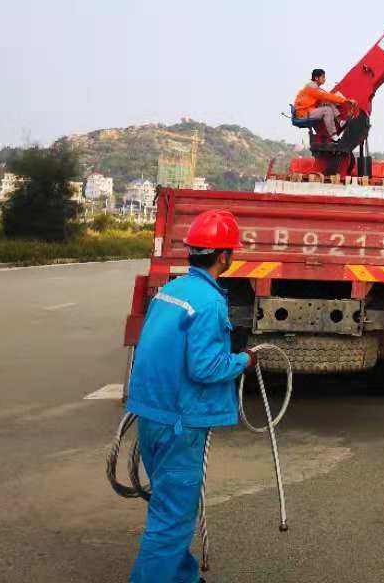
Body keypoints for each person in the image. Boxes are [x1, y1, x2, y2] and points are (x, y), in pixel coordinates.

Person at [126, 208, 255, 583]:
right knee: (171, 519)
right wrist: (244, 360)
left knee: (170, 506)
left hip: (153, 414)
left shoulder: (171, 291)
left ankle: (183, 577)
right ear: (224, 256)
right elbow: (205, 367)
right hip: (180, 422)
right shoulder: (211, 302)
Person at [292, 68, 348, 141]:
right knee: (327, 110)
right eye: (323, 77)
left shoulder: (314, 87)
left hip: (309, 110)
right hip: (303, 113)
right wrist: (345, 101)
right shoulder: (312, 88)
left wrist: (338, 101)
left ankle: (340, 121)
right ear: (316, 78)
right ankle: (333, 135)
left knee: (327, 102)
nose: (324, 79)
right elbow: (326, 96)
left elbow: (325, 97)